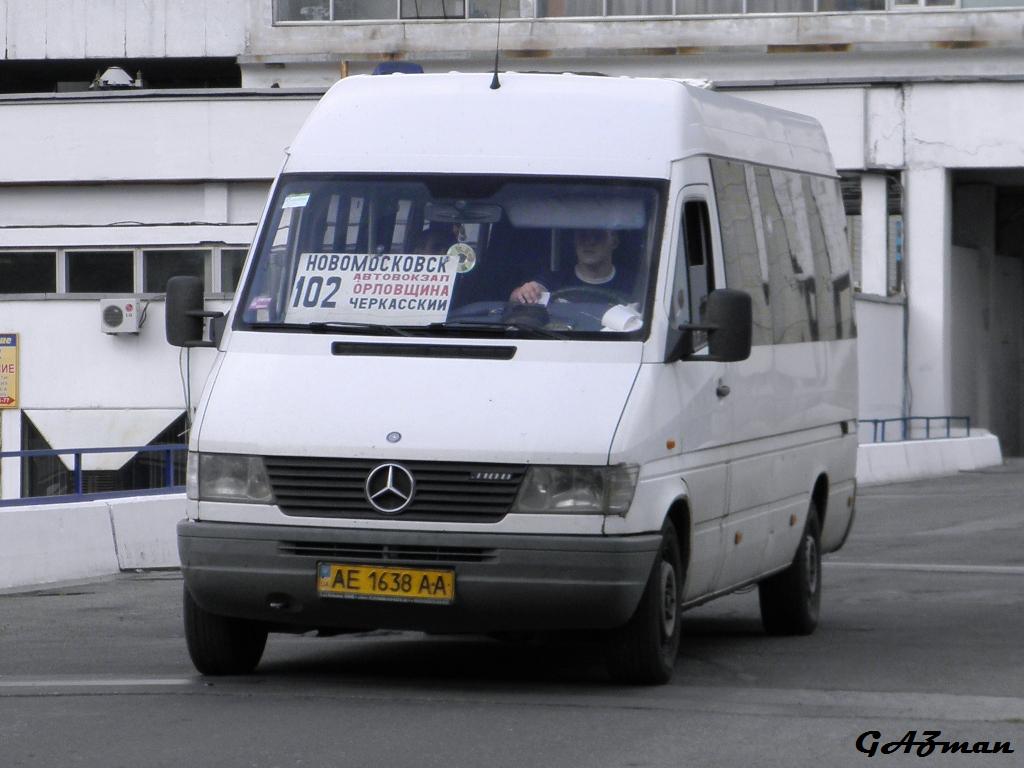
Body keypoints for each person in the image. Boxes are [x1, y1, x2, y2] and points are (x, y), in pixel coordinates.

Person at [509, 228, 633, 304]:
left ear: (614, 242)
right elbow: (518, 297)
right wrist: (524, 292)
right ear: (574, 241)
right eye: (582, 235)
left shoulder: (633, 283)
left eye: (598, 235)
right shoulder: (554, 278)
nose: (589, 242)